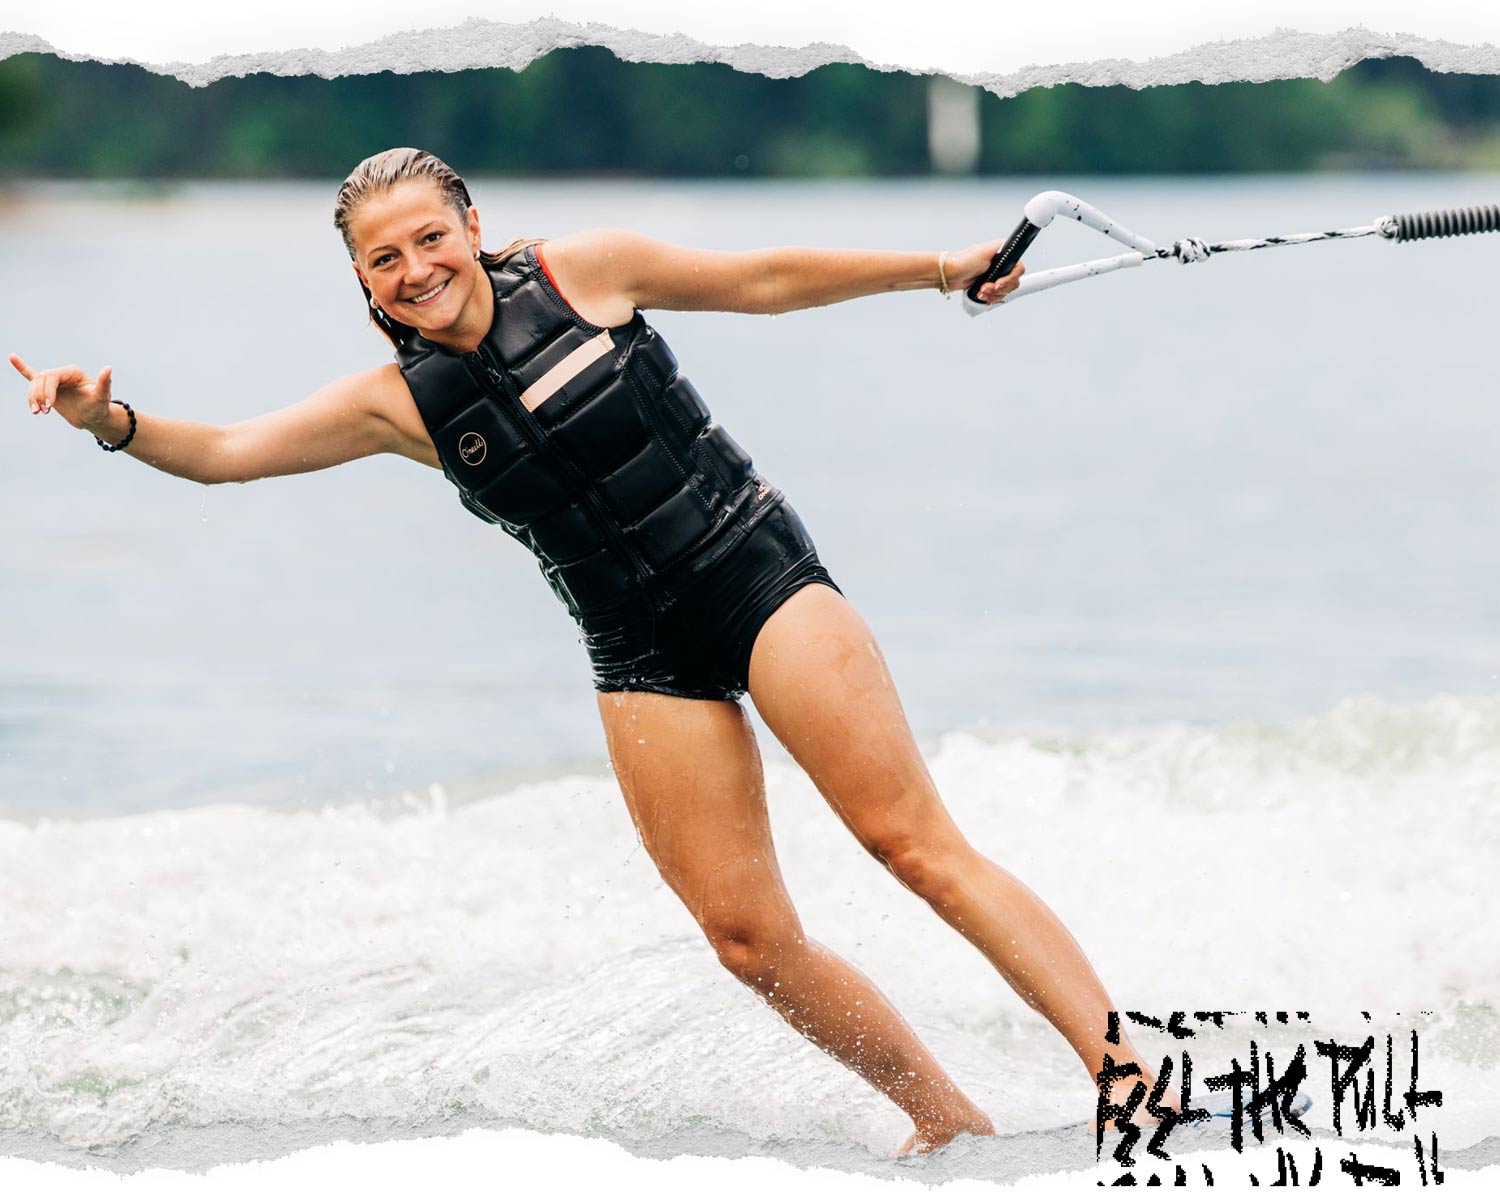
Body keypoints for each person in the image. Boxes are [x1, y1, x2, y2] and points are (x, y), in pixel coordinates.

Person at [11, 147, 1176, 1155]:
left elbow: (765, 280)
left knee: (907, 843)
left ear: (471, 226)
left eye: (430, 237)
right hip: (636, 647)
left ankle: (1128, 1076)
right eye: (383, 259)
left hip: (753, 571)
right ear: (360, 279)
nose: (415, 269)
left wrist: (935, 267)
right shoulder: (393, 403)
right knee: (747, 940)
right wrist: (107, 420)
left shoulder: (587, 272)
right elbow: (221, 452)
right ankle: (944, 1119)